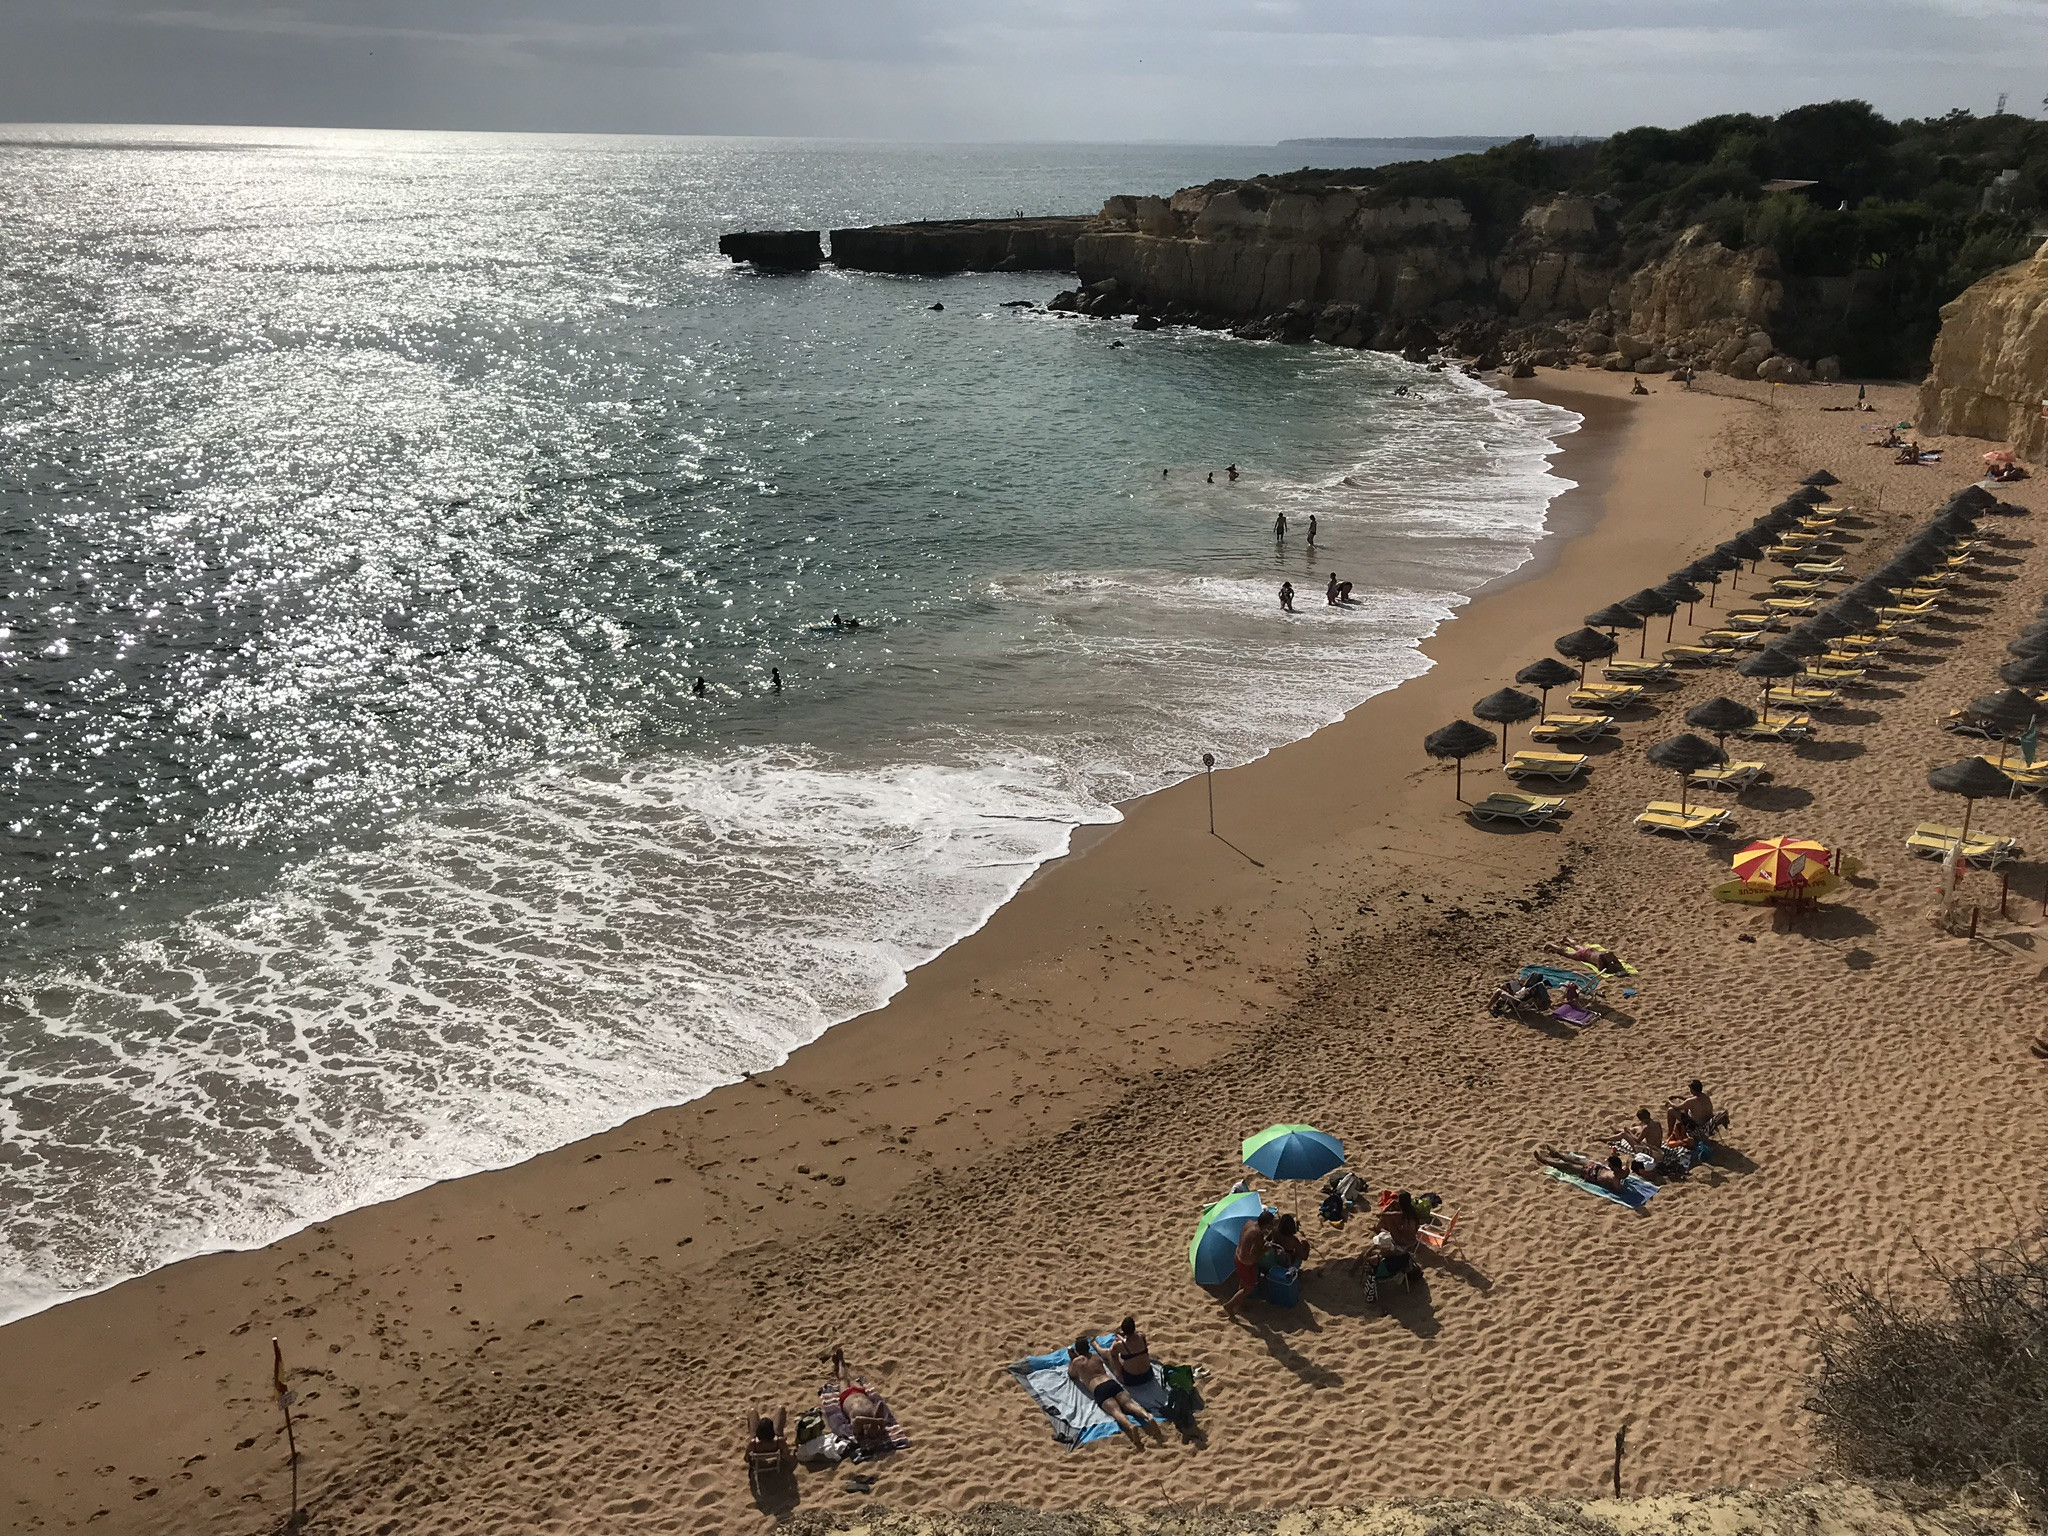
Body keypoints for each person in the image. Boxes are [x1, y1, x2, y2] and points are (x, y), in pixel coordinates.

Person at [1067, 1335, 1154, 1438]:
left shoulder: (1077, 1362)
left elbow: (1071, 1375)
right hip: (1110, 1382)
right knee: (1129, 1404)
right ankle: (1147, 1416)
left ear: (1077, 1350)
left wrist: (1072, 1358)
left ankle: (1130, 1426)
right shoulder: (1096, 1356)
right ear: (1088, 1348)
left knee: (1115, 1411)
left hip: (1099, 1388)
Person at [826, 1347, 893, 1454]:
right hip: (860, 1393)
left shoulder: (858, 1430)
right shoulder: (873, 1421)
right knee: (851, 1379)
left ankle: (839, 1362)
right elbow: (880, 1404)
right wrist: (878, 1420)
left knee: (843, 1379)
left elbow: (857, 1419)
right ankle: (841, 1362)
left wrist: (877, 1421)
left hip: (846, 1396)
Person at [1223, 1208, 1275, 1315]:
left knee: (1244, 1281)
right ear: (1266, 1224)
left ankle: (1240, 1302)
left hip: (1238, 1256)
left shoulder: (1250, 1223)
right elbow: (1254, 1255)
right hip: (1245, 1263)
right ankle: (1229, 1305)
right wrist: (1265, 1249)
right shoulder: (1258, 1235)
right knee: (1249, 1287)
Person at [1533, 1145, 1629, 1194]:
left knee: (1568, 1166)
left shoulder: (1614, 1178)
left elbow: (1618, 1190)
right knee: (1576, 1159)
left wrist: (1612, 1186)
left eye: (1611, 1165)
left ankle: (1544, 1160)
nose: (1610, 1166)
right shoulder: (1623, 1170)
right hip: (1596, 1167)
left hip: (1591, 1174)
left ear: (1615, 1167)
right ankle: (1557, 1154)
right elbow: (1627, 1168)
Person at [743, 1407, 793, 1490]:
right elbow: (787, 1457)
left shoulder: (753, 1443)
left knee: (752, 1411)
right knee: (781, 1409)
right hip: (774, 1445)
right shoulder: (779, 1441)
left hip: (758, 1447)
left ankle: (753, 1417)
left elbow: (746, 1459)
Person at [1105, 1316, 1152, 1386]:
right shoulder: (1142, 1337)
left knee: (1110, 1354)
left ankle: (1117, 1373)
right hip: (1148, 1375)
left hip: (1131, 1379)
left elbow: (1112, 1351)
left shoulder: (1120, 1345)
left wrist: (1116, 1341)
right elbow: (1132, 1342)